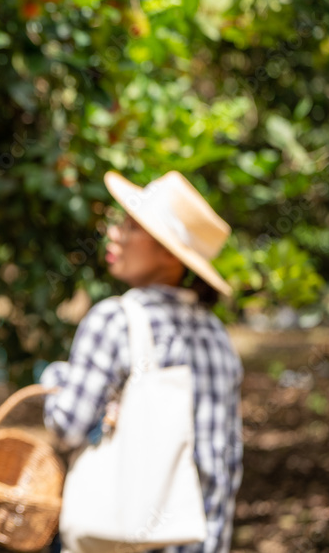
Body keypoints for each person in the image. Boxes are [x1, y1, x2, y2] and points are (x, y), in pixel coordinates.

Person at [41, 171, 244, 553]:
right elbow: (224, 460)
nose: (115, 233)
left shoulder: (115, 319)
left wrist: (55, 378)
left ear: (168, 252)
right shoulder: (218, 336)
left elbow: (67, 426)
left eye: (131, 226)